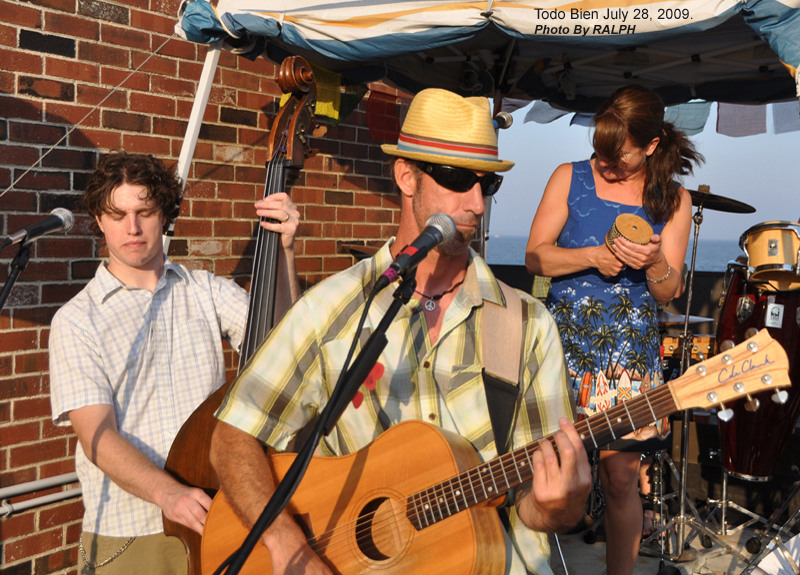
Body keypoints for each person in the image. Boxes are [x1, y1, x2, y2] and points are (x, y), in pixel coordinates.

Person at [209, 88, 592, 575]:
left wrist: (558, 506)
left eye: (487, 185)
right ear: (406, 176)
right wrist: (291, 545)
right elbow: (232, 435)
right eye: (457, 179)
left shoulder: (525, 323)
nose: (476, 203)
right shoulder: (335, 307)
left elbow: (535, 505)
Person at [48, 151, 301, 575]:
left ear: (164, 213)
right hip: (131, 530)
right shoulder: (76, 320)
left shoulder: (204, 291)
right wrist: (167, 494)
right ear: (98, 218)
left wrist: (286, 252)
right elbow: (97, 435)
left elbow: (283, 348)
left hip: (216, 513)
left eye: (144, 211)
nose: (132, 227)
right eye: (118, 213)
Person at [525, 85, 703, 575]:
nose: (605, 163)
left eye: (618, 155)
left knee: (622, 479)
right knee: (550, 471)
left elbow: (669, 291)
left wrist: (652, 263)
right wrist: (591, 258)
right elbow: (535, 254)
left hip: (627, 361)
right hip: (560, 352)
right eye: (600, 150)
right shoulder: (569, 177)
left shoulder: (673, 199)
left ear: (650, 145)